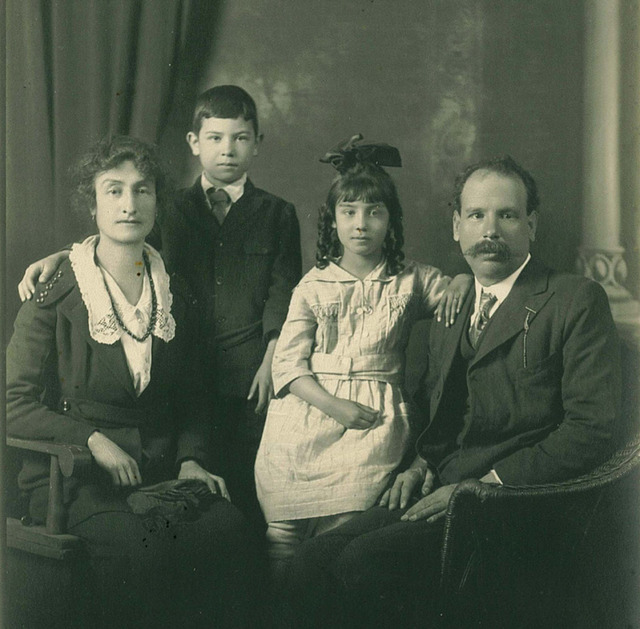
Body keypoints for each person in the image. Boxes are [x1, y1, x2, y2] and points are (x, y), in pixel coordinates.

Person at [281, 155, 621, 628]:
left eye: (507, 215)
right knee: (308, 563)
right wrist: (420, 464)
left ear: (532, 224)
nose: (491, 230)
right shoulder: (452, 306)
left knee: (363, 563)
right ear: (456, 225)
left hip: (516, 503)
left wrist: (484, 485)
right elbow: (440, 410)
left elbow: (594, 428)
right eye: (477, 216)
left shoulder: (573, 300)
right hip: (442, 484)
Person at [17, 85, 302, 533]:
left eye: (141, 192)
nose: (130, 204)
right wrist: (62, 259)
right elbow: (116, 242)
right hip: (111, 447)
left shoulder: (275, 216)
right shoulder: (169, 213)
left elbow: (285, 293)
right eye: (215, 138)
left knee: (239, 524)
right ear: (195, 142)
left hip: (245, 385)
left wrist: (272, 357)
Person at [7, 136, 261, 629]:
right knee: (149, 555)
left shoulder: (174, 291)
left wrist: (191, 458)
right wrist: (90, 439)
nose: (129, 204)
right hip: (75, 479)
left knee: (231, 530)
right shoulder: (53, 292)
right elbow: (12, 404)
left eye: (142, 190)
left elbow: (191, 397)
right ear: (93, 203)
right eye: (114, 190)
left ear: (157, 201)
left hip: (159, 471)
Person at [254, 135, 472, 577]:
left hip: (374, 419)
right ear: (332, 220)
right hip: (307, 414)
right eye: (349, 212)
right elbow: (288, 365)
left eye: (374, 212)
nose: (361, 224)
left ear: (390, 221)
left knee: (343, 532)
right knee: (283, 535)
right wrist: (334, 406)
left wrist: (464, 280)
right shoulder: (313, 285)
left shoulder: (409, 280)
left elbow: (453, 291)